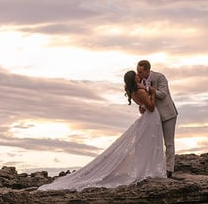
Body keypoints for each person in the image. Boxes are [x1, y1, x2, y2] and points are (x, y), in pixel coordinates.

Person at [37, 70, 166, 191]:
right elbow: (151, 107)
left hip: (148, 118)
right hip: (151, 118)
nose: (138, 75)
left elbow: (142, 108)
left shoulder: (134, 92)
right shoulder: (141, 92)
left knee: (147, 145)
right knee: (151, 144)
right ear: (134, 79)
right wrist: (152, 94)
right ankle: (150, 169)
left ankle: (147, 169)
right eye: (136, 75)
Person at [136, 60, 177, 177]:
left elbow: (163, 94)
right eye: (137, 71)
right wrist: (142, 106)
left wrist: (147, 88)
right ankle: (155, 167)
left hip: (168, 114)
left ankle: (169, 169)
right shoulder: (141, 81)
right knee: (154, 142)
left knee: (168, 142)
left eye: (140, 72)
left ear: (147, 70)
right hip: (154, 116)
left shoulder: (160, 77)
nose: (138, 74)